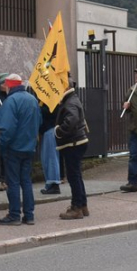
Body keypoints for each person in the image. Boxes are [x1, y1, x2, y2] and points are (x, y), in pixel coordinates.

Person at [0, 74, 41, 226]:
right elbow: (38, 122)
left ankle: (14, 214)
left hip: (14, 147)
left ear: (9, 85)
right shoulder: (32, 99)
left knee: (13, 182)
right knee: (26, 181)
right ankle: (29, 215)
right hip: (29, 146)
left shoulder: (10, 101)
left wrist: (3, 145)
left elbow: (6, 128)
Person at [56, 81, 90, 219]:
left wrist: (59, 131)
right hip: (76, 141)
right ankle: (82, 205)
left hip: (73, 143)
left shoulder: (70, 101)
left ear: (65, 86)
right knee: (76, 175)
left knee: (73, 176)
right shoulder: (72, 99)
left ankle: (76, 208)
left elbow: (72, 119)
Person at [39, 101, 62, 195]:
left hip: (50, 130)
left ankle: (54, 184)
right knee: (48, 158)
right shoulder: (47, 100)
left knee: (51, 157)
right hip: (48, 131)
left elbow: (51, 112)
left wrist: (39, 108)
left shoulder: (52, 100)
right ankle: (50, 183)